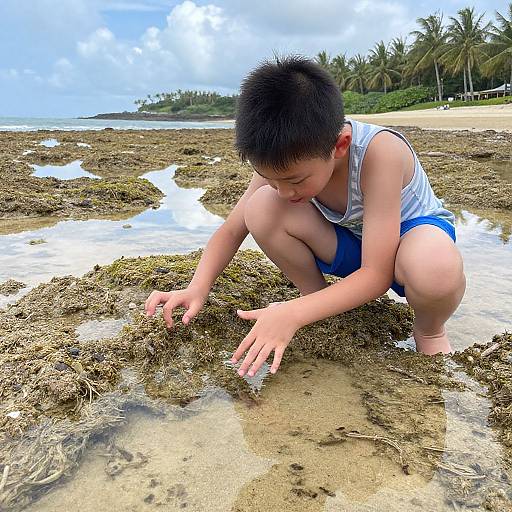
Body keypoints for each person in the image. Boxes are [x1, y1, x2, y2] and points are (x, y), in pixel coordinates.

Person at [145, 55, 466, 379]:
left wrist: (291, 314)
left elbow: (376, 275)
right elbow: (232, 230)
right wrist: (197, 288)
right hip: (351, 242)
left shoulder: (380, 153)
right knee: (261, 207)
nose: (285, 191)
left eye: (296, 180)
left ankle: (430, 332)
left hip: (408, 243)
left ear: (339, 146)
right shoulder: (282, 163)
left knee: (435, 268)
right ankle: (315, 301)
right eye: (270, 177)